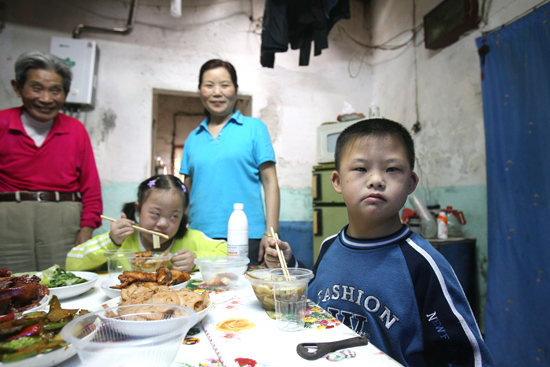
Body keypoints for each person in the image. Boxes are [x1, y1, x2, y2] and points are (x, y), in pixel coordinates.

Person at [265, 119, 494, 367]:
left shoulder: (423, 264)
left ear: (411, 183)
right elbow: (318, 297)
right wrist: (288, 264)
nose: (376, 180)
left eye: (392, 169)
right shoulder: (330, 246)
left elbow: (465, 357)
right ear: (337, 181)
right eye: (361, 169)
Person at [0, 51, 102, 272]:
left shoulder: (75, 130)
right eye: (36, 88)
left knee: (65, 285)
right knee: (10, 290)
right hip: (8, 222)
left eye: (55, 90)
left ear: (65, 94)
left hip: (64, 224)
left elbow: (90, 187)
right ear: (18, 87)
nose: (46, 98)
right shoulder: (2, 123)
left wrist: (87, 228)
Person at [179, 59, 280, 266]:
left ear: (235, 89)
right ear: (200, 91)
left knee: (241, 296)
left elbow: (270, 183)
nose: (217, 92)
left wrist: (271, 233)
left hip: (247, 235)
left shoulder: (255, 128)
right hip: (198, 236)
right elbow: (184, 192)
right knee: (200, 294)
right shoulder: (192, 138)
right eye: (209, 85)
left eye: (225, 85)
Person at [66, 174, 227, 272]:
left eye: (174, 216)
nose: (163, 223)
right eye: (155, 214)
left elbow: (231, 254)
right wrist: (111, 241)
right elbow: (71, 262)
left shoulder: (192, 239)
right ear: (138, 209)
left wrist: (197, 260)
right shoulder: (121, 242)